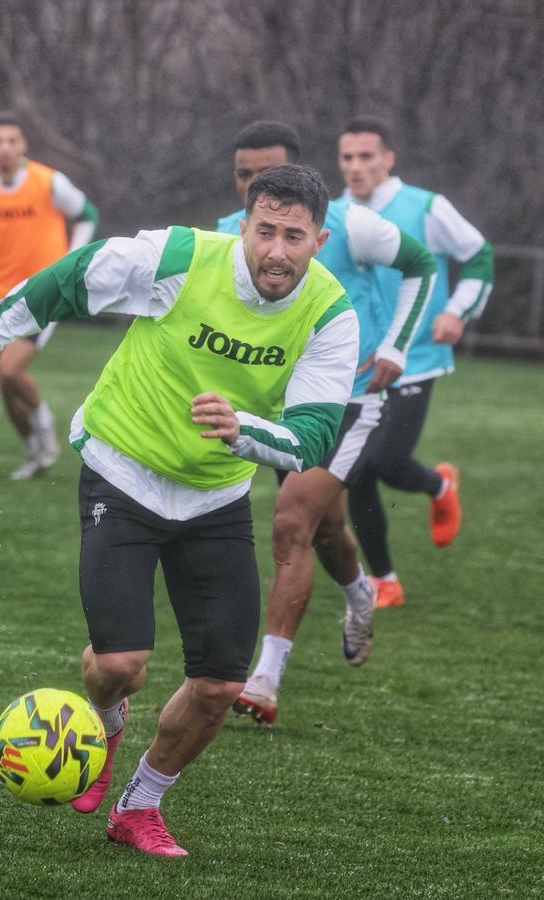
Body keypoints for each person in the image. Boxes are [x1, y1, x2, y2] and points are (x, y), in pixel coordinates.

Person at [0, 165, 359, 859]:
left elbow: (314, 435)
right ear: (243, 224)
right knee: (119, 665)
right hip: (122, 470)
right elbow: (72, 276)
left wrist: (242, 430)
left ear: (321, 238)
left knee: (222, 682)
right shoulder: (181, 257)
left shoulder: (331, 312)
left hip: (216, 495)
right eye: (264, 231)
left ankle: (139, 806)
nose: (276, 251)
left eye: (294, 236)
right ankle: (107, 721)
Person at [216, 121, 437, 726]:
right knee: (323, 528)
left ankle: (265, 679)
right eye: (244, 177)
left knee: (291, 521)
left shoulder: (350, 224)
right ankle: (359, 592)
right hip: (279, 412)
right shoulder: (224, 239)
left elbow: (422, 264)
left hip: (352, 403)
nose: (252, 187)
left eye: (265, 175)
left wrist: (395, 345)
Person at [338, 115, 495, 609]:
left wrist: (456, 311)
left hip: (417, 357)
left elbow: (480, 257)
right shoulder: (334, 214)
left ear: (388, 159)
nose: (356, 167)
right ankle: (385, 579)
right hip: (357, 365)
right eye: (347, 157)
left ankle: (440, 484)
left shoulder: (426, 207)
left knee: (385, 462)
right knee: (359, 471)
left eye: (366, 156)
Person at [0, 111, 99, 479]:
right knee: (4, 382)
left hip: (43, 294)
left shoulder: (49, 182)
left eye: (12, 141)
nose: (5, 148)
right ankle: (33, 451)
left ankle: (44, 422)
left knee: (11, 368)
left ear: (23, 145)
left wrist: (72, 260)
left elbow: (88, 214)